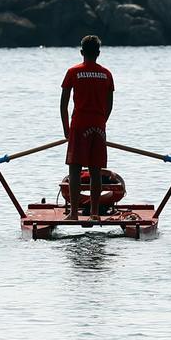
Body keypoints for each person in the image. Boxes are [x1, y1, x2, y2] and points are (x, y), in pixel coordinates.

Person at [60, 35, 114, 221]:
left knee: (74, 170)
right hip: (98, 127)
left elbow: (63, 104)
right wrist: (101, 122)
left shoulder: (73, 72)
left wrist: (66, 129)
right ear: (98, 53)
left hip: (79, 125)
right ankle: (94, 213)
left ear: (82, 52)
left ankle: (74, 213)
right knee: (95, 171)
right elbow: (109, 106)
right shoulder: (107, 74)